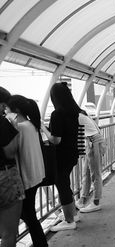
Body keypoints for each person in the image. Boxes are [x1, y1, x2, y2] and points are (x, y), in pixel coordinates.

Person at [7, 95, 47, 247]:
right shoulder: (31, 125)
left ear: (15, 110)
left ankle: (41, 244)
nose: (6, 111)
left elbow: (11, 151)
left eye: (7, 109)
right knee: (29, 214)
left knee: (28, 215)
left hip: (27, 178)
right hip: (36, 175)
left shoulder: (19, 128)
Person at [41, 82, 80, 231]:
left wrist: (43, 127)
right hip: (72, 154)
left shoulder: (57, 114)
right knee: (65, 184)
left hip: (61, 156)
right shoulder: (75, 112)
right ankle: (72, 215)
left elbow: (56, 140)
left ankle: (70, 221)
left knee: (62, 185)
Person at [0, 87, 25, 247]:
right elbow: (9, 152)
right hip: (5, 177)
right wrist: (16, 130)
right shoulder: (2, 123)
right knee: (8, 233)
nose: (4, 109)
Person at [76, 111, 105, 213]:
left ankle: (96, 202)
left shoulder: (77, 116)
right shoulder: (82, 116)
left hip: (93, 142)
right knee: (86, 173)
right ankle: (83, 200)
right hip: (91, 142)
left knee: (95, 174)